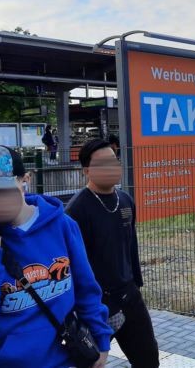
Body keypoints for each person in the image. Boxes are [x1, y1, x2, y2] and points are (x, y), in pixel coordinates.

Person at [0, 146, 112, 367]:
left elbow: (86, 288)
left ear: (24, 180)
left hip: (65, 359)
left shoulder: (62, 226)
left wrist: (101, 340)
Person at [66, 139, 160, 368]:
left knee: (148, 360)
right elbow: (72, 265)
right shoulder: (76, 210)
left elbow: (130, 245)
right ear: (87, 170)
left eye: (114, 160)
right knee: (89, 362)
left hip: (129, 296)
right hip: (97, 304)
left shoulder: (125, 200)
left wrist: (136, 283)